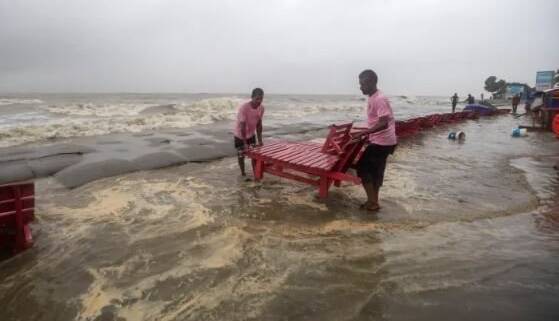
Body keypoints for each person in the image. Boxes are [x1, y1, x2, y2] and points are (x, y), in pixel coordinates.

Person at [355, 69, 397, 212]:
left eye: (363, 84)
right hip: (385, 140)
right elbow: (378, 121)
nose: (360, 87)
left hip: (382, 141)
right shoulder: (374, 97)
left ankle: (372, 202)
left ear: (372, 82)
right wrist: (367, 133)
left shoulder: (379, 99)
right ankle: (373, 201)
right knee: (376, 172)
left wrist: (365, 132)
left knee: (362, 169)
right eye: (360, 84)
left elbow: (384, 122)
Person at [233, 88, 265, 178]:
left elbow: (259, 125)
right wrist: (244, 143)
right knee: (241, 155)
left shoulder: (261, 108)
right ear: (252, 97)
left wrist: (260, 141)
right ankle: (243, 173)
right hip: (240, 135)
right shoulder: (244, 108)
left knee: (254, 155)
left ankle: (256, 173)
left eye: (261, 99)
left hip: (251, 134)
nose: (259, 101)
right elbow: (242, 126)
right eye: (257, 99)